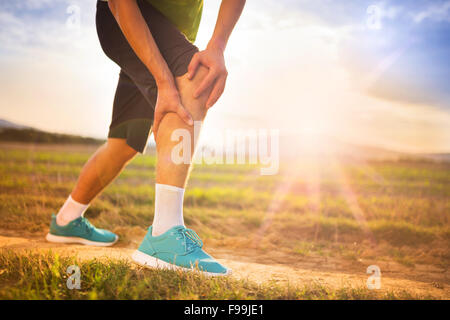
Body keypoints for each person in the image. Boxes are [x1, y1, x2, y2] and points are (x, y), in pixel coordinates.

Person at [45, 0, 246, 276]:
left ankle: (67, 219)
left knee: (124, 142)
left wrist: (218, 46)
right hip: (127, 21)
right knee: (195, 77)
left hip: (169, 32)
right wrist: (164, 81)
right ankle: (164, 233)